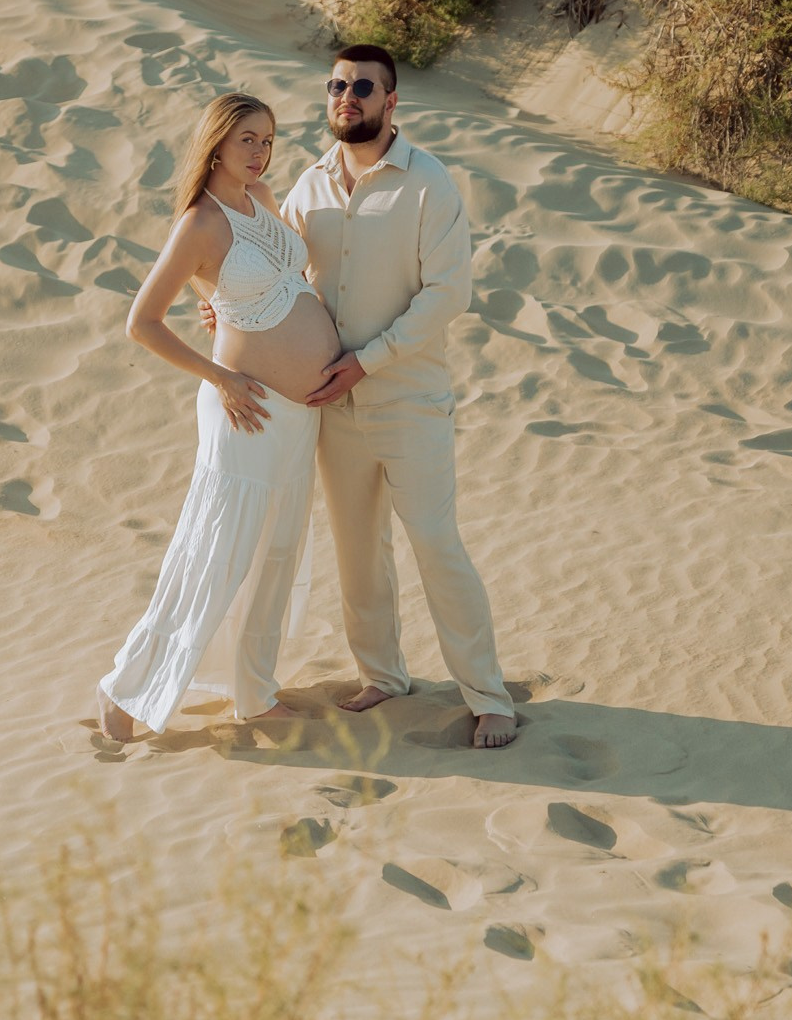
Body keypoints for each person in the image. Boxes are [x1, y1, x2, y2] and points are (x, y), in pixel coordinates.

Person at [282, 44, 518, 749]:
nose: (345, 95)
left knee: (437, 546)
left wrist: (370, 361)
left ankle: (488, 694)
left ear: (391, 103)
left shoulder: (429, 183)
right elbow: (275, 269)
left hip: (410, 402)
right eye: (335, 84)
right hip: (334, 407)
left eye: (361, 86)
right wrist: (222, 306)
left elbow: (449, 293)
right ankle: (382, 673)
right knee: (358, 551)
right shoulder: (309, 186)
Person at [97, 91, 346, 742]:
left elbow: (258, 286)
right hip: (248, 411)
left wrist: (220, 303)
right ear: (216, 143)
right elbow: (141, 322)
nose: (261, 152)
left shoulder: (259, 200)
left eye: (268, 140)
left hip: (297, 415)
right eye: (247, 141)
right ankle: (127, 692)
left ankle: (254, 691)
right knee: (218, 553)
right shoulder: (201, 222)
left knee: (276, 553)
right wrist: (220, 374)